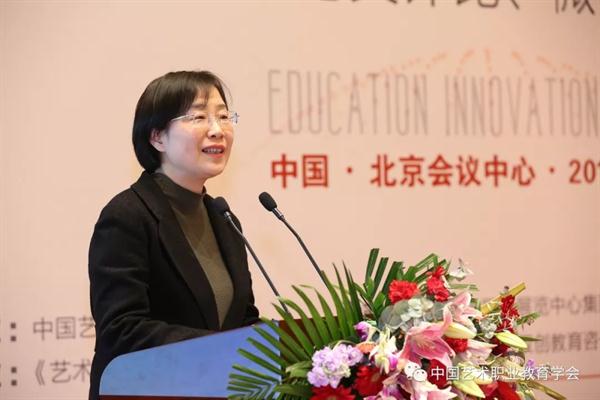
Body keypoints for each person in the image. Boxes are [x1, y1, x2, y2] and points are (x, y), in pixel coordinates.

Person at [88, 71, 259, 400]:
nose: (217, 129)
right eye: (198, 117)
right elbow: (121, 330)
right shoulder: (127, 216)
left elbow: (243, 319)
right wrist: (221, 348)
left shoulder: (224, 220)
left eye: (224, 116)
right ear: (157, 138)